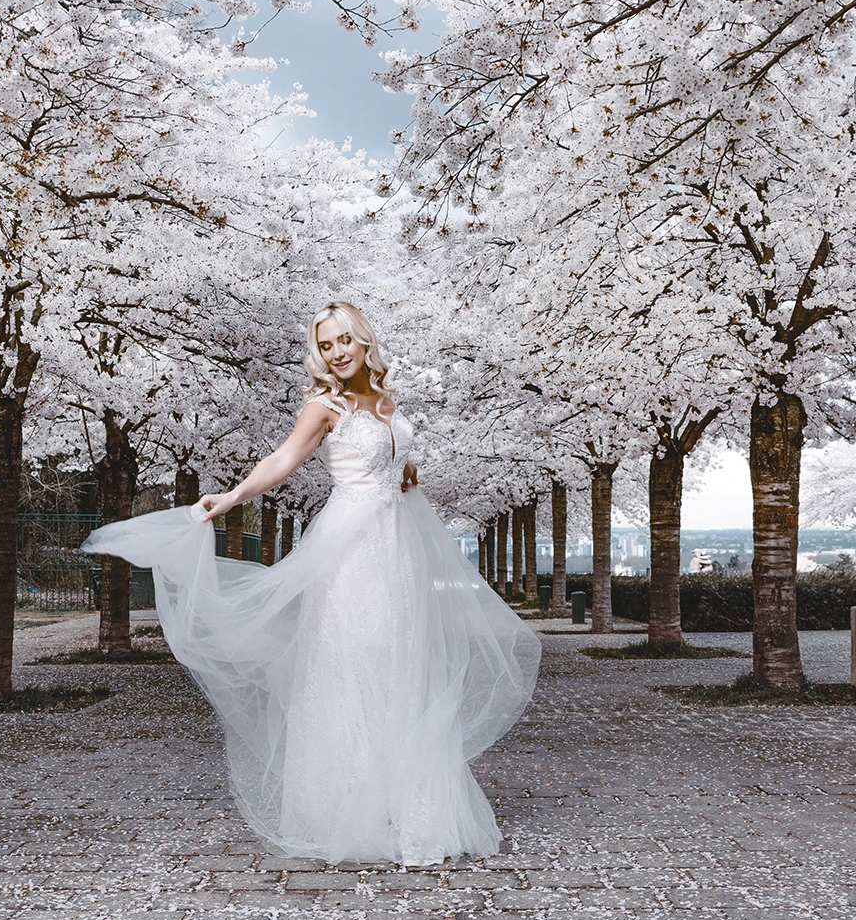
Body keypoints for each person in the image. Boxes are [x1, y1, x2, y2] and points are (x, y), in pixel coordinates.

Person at [80, 301, 540, 866]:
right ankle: (350, 809)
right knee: (353, 663)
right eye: (326, 345)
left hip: (399, 551)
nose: (337, 352)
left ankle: (407, 806)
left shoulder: (389, 402)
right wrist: (228, 499)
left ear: (365, 341)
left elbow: (400, 466)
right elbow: (282, 460)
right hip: (352, 553)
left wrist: (404, 477)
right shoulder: (323, 407)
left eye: (345, 339)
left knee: (402, 664)